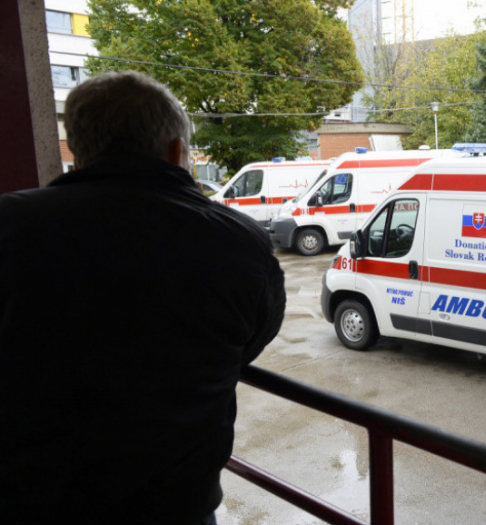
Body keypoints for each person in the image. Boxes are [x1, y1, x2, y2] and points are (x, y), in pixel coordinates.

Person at [0, 72, 286, 523]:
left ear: (77, 149)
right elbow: (252, 339)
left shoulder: (10, 225)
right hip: (175, 507)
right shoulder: (239, 242)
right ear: (176, 151)